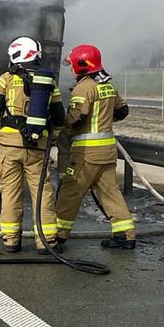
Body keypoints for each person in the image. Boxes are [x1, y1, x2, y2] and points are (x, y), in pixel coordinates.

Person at [0, 36, 64, 251]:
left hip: (9, 147)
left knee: (10, 192)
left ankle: (11, 240)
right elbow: (58, 116)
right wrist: (51, 140)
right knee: (42, 193)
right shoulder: (48, 81)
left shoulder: (5, 79)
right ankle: (47, 242)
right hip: (38, 147)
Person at [53, 44, 136, 251]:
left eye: (72, 65)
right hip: (107, 152)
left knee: (70, 191)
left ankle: (56, 237)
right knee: (110, 193)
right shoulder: (107, 85)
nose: (70, 69)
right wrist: (102, 120)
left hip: (86, 153)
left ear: (81, 65)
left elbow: (76, 117)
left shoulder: (84, 87)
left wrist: (58, 123)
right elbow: (123, 111)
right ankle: (125, 235)